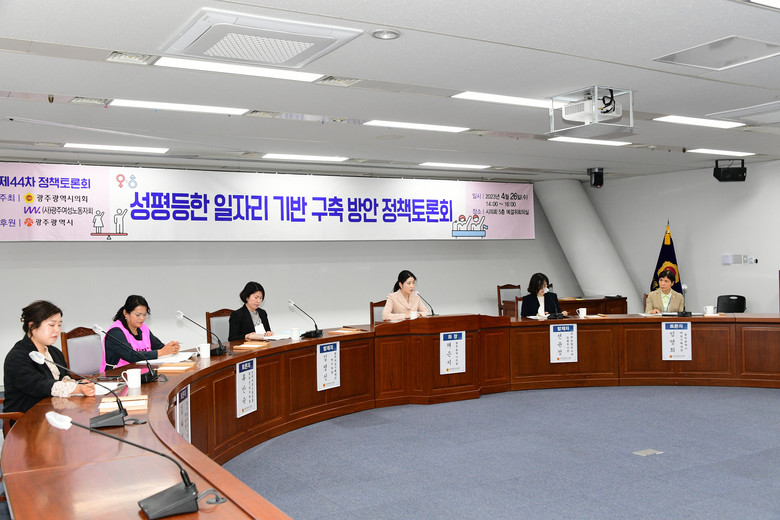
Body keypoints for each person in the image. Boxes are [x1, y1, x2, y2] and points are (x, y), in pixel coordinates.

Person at [3, 300, 95, 414]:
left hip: (54, 411)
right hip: (28, 417)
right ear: (32, 326)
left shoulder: (54, 352)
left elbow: (63, 377)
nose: (57, 330)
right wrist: (77, 389)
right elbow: (39, 385)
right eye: (51, 325)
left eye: (59, 325)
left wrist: (79, 385)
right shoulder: (17, 357)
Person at [100, 295, 180, 372]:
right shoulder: (115, 332)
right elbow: (131, 356)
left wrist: (171, 348)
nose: (142, 318)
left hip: (142, 373)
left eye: (144, 315)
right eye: (138, 315)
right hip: (116, 375)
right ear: (125, 313)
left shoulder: (143, 328)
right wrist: (161, 352)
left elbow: (158, 346)